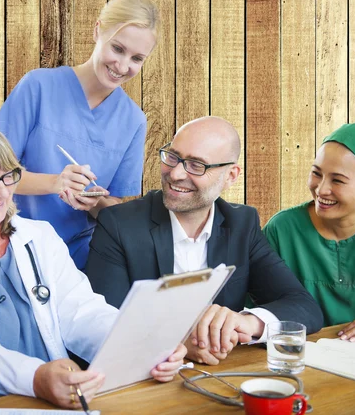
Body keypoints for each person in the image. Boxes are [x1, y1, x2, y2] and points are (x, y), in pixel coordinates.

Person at [0, 122, 186, 408]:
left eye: (8, 177)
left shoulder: (39, 236)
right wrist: (35, 378)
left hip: (56, 395)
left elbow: (82, 312)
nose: (1, 193)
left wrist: (140, 345)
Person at [86, 116, 323, 366]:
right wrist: (177, 343)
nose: (175, 173)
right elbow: (103, 323)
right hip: (141, 380)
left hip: (217, 375)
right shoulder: (119, 224)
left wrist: (245, 321)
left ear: (231, 176)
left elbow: (305, 308)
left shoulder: (241, 224)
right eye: (173, 157)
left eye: (196, 165)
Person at [0, 0, 159, 269]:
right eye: (117, 48)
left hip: (80, 261)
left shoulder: (134, 121)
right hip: (14, 247)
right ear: (97, 31)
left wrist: (93, 201)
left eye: (137, 58)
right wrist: (56, 183)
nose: (123, 66)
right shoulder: (39, 87)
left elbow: (112, 206)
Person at [264, 122, 355, 343]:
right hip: (306, 363)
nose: (321, 189)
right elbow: (259, 312)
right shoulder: (282, 230)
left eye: (337, 180)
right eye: (316, 173)